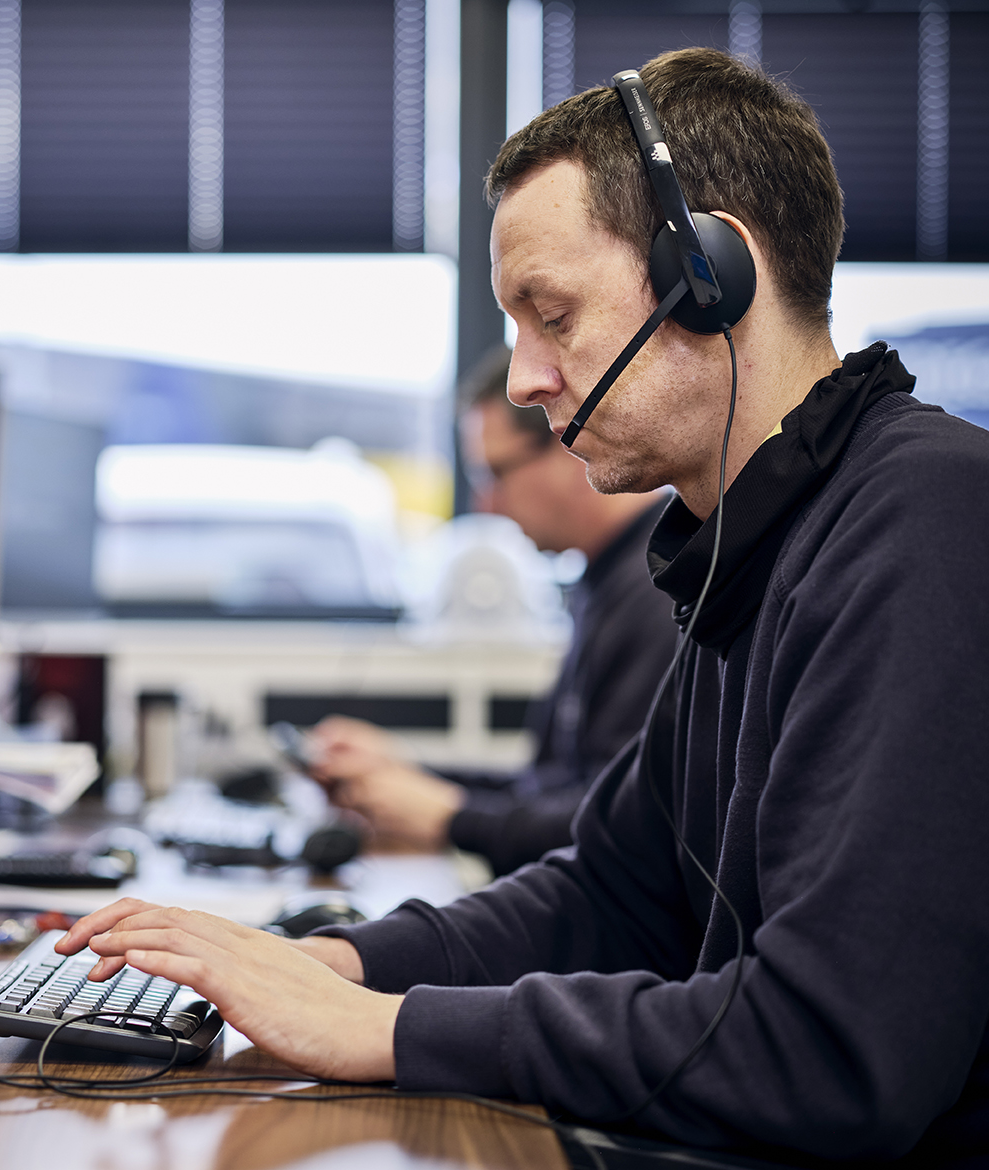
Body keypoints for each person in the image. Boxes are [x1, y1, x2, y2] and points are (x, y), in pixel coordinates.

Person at [57, 47, 989, 1162]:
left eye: (550, 315)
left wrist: (386, 1030)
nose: (522, 380)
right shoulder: (751, 539)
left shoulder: (926, 520)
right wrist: (333, 963)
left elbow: (829, 1050)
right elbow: (612, 893)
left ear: (712, 274)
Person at [310, 345, 677, 874]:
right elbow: (550, 789)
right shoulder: (607, 579)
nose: (485, 506)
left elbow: (622, 823)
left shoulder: (660, 593)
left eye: (494, 475)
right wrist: (408, 774)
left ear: (568, 444)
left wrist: (452, 818)